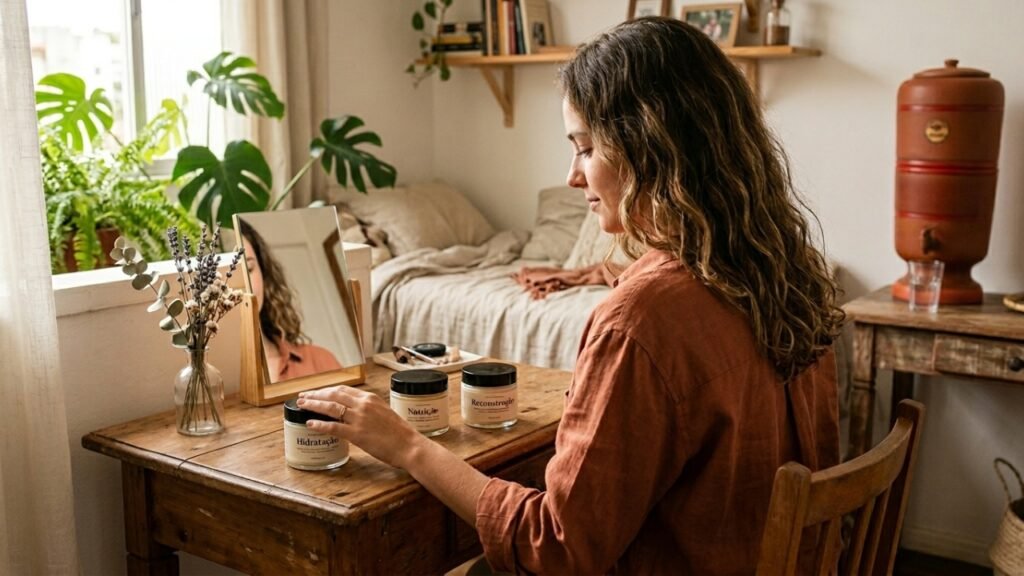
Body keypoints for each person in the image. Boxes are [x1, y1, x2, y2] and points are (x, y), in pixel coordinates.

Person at [297, 16, 844, 574]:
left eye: (585, 148)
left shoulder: (642, 321)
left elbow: (556, 550)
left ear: (649, 148)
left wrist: (405, 443)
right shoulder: (783, 273)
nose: (572, 176)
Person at [238, 219, 342, 382]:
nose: (242, 284)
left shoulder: (320, 361)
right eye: (227, 273)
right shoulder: (201, 383)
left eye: (248, 269)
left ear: (263, 274)